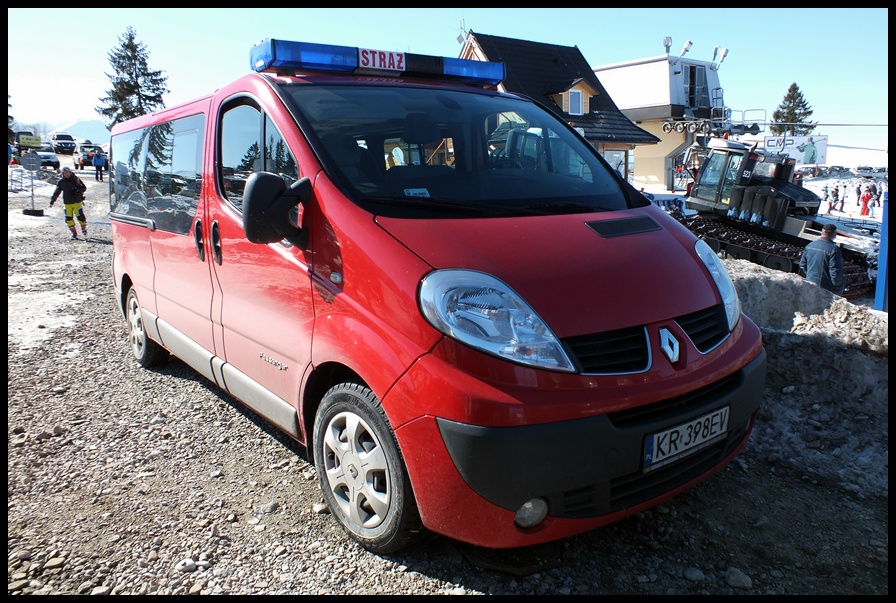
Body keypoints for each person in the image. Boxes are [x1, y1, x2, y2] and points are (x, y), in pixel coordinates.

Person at [799, 223, 844, 295]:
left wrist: (811, 276)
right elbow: (835, 272)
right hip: (825, 288)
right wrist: (838, 286)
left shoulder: (810, 245)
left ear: (822, 232)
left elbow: (803, 264)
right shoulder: (834, 249)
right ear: (834, 235)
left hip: (810, 282)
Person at [50, 166, 89, 240]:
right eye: (65, 173)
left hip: (77, 202)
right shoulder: (61, 182)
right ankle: (74, 233)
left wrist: (78, 191)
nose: (67, 174)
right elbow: (57, 192)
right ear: (63, 174)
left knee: (80, 217)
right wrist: (52, 201)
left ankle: (83, 229)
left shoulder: (76, 179)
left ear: (70, 172)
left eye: (68, 172)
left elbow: (84, 188)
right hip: (67, 203)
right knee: (68, 219)